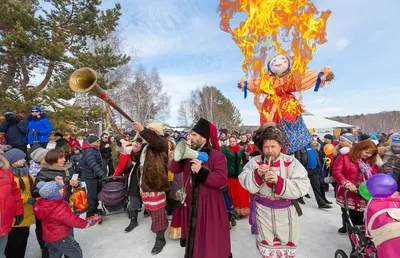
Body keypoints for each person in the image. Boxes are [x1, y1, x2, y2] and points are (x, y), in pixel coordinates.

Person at [239, 123, 310, 258]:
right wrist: (257, 174)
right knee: (266, 251)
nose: (270, 151)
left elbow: (303, 186)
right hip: (263, 212)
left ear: (280, 146)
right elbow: (244, 180)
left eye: (273, 146)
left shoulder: (292, 162)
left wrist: (279, 181)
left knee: (285, 250)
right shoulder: (255, 162)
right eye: (266, 147)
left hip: (287, 214)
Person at [170, 118, 232, 258]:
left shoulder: (217, 156)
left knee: (209, 242)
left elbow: (222, 181)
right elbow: (174, 169)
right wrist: (179, 153)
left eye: (194, 135)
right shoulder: (188, 153)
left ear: (204, 138)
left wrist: (202, 171)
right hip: (192, 204)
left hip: (210, 205)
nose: (190, 137)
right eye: (191, 134)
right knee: (194, 241)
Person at [332, 139, 380, 257]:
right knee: (354, 223)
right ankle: (356, 246)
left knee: (368, 223)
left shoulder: (371, 162)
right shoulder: (345, 157)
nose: (368, 155)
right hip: (349, 194)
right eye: (366, 152)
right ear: (360, 148)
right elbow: (336, 172)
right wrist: (348, 184)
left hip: (366, 196)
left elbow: (376, 176)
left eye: (371, 154)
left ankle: (366, 245)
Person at [131, 121, 170, 255]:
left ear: (157, 133)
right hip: (145, 183)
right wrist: (135, 152)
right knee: (152, 211)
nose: (148, 134)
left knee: (158, 212)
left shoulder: (162, 143)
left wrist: (143, 130)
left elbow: (156, 141)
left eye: (151, 132)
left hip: (156, 184)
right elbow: (138, 161)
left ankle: (160, 239)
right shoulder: (147, 146)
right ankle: (159, 230)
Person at [34, 181, 99, 258]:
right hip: (61, 237)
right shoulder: (59, 207)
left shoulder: (44, 203)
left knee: (54, 255)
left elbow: (58, 191)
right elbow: (73, 220)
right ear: (55, 193)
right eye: (60, 189)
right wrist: (86, 223)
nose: (63, 190)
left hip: (50, 237)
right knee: (76, 252)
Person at [3, 149, 35, 258]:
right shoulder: (10, 176)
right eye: (20, 159)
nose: (24, 160)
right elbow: (11, 194)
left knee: (23, 241)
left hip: (27, 213)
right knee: (15, 243)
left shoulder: (25, 173)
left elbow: (34, 185)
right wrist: (27, 199)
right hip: (15, 216)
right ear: (12, 161)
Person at [0, 152, 24, 258]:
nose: (2, 152)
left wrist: (18, 210)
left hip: (3, 221)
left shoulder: (5, 170)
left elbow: (14, 192)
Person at [221, 135, 250, 218]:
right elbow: (216, 150)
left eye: (233, 141)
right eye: (230, 141)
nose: (232, 143)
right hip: (230, 174)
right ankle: (232, 212)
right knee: (231, 193)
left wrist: (245, 169)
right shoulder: (225, 149)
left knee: (240, 193)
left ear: (236, 141)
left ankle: (240, 211)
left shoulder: (241, 149)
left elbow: (245, 161)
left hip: (239, 174)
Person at [81, 135, 104, 218]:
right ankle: (90, 211)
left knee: (96, 193)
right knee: (92, 195)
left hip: (95, 176)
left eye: (99, 141)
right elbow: (93, 164)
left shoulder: (94, 149)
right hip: (91, 177)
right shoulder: (89, 151)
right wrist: (102, 174)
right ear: (92, 143)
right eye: (97, 141)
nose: (99, 142)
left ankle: (95, 208)